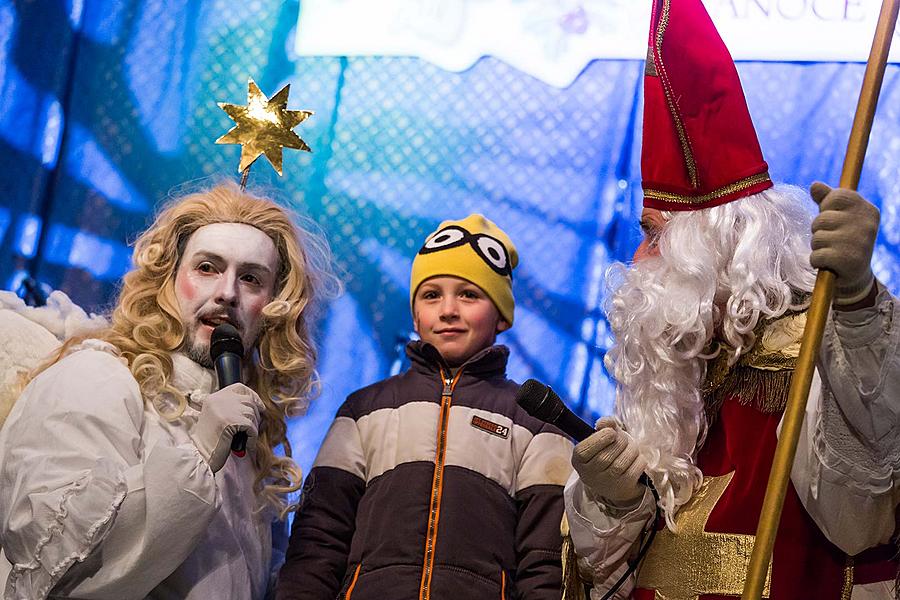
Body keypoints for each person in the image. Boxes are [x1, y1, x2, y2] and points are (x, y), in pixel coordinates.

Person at [563, 0, 899, 598]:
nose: (641, 262)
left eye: (655, 237)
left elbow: (865, 501)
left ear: (717, 248)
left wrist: (857, 300)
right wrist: (609, 501)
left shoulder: (819, 344)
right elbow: (609, 569)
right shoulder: (671, 377)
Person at [0, 182, 332, 599]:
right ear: (168, 281)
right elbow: (53, 569)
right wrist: (196, 455)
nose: (227, 293)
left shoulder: (251, 443)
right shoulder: (98, 377)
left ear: (271, 306)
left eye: (250, 278)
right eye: (207, 268)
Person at [276, 214, 574, 599]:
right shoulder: (364, 409)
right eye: (431, 295)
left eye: (469, 294)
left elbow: (545, 563)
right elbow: (318, 539)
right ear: (416, 313)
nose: (448, 310)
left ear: (501, 315)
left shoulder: (536, 423)